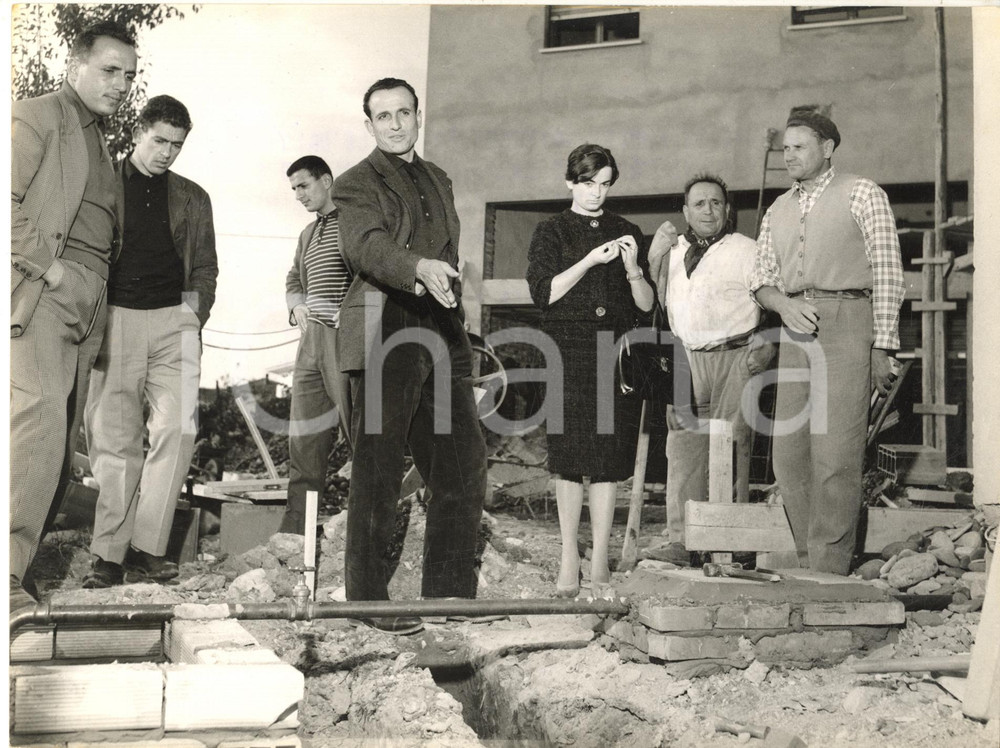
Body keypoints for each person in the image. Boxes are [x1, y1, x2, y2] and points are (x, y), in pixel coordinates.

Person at [332, 78, 487, 635]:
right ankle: (367, 600)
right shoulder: (354, 183)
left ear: (419, 116)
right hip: (385, 323)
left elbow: (449, 252)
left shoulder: (438, 178)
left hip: (439, 328)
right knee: (377, 467)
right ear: (369, 124)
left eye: (404, 112)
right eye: (383, 116)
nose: (395, 124)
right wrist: (417, 267)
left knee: (462, 464)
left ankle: (448, 595)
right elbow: (364, 246)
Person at [10, 21, 138, 610]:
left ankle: (18, 572)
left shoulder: (100, 141)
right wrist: (53, 271)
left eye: (129, 76)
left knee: (60, 448)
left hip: (89, 305)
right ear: (74, 65)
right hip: (46, 294)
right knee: (35, 429)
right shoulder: (37, 115)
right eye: (109, 71)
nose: (121, 85)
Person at [751, 107, 904, 575]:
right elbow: (760, 280)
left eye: (799, 147)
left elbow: (888, 271)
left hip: (848, 320)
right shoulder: (777, 208)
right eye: (785, 148)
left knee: (835, 454)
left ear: (828, 148)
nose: (789, 156)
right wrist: (782, 305)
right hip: (795, 324)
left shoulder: (862, 192)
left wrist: (882, 345)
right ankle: (808, 560)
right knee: (789, 455)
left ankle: (829, 568)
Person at [82, 95, 218, 588]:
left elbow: (205, 267)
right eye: (160, 141)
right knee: (115, 443)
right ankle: (108, 556)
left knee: (178, 432)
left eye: (176, 145)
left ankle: (147, 548)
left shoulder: (193, 197)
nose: (167, 153)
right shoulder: (102, 184)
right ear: (139, 132)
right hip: (115, 320)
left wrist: (191, 316)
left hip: (173, 325)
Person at [526, 143, 655, 597]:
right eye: (587, 183)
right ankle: (569, 557)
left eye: (604, 184)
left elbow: (645, 306)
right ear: (570, 182)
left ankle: (599, 558)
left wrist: (634, 269)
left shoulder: (627, 231)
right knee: (567, 459)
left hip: (614, 353)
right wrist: (589, 261)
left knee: (606, 461)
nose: (597, 192)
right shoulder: (552, 231)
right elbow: (544, 293)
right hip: (568, 350)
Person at [644, 174, 775, 566]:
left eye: (716, 203)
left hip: (735, 355)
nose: (708, 210)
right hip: (685, 355)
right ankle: (683, 541)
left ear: (727, 209)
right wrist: (653, 257)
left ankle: (730, 541)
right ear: (685, 211)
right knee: (683, 450)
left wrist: (767, 340)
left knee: (732, 446)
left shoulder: (747, 249)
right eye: (699, 203)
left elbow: (772, 296)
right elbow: (653, 300)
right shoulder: (672, 250)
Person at [280, 155, 353, 535]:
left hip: (345, 341)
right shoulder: (308, 234)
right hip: (310, 343)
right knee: (305, 440)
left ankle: (364, 529)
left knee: (360, 432)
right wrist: (297, 306)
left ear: (326, 180)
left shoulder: (356, 222)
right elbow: (294, 278)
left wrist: (353, 313)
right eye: (294, 189)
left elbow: (373, 272)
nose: (298, 195)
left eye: (304, 186)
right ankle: (295, 533)